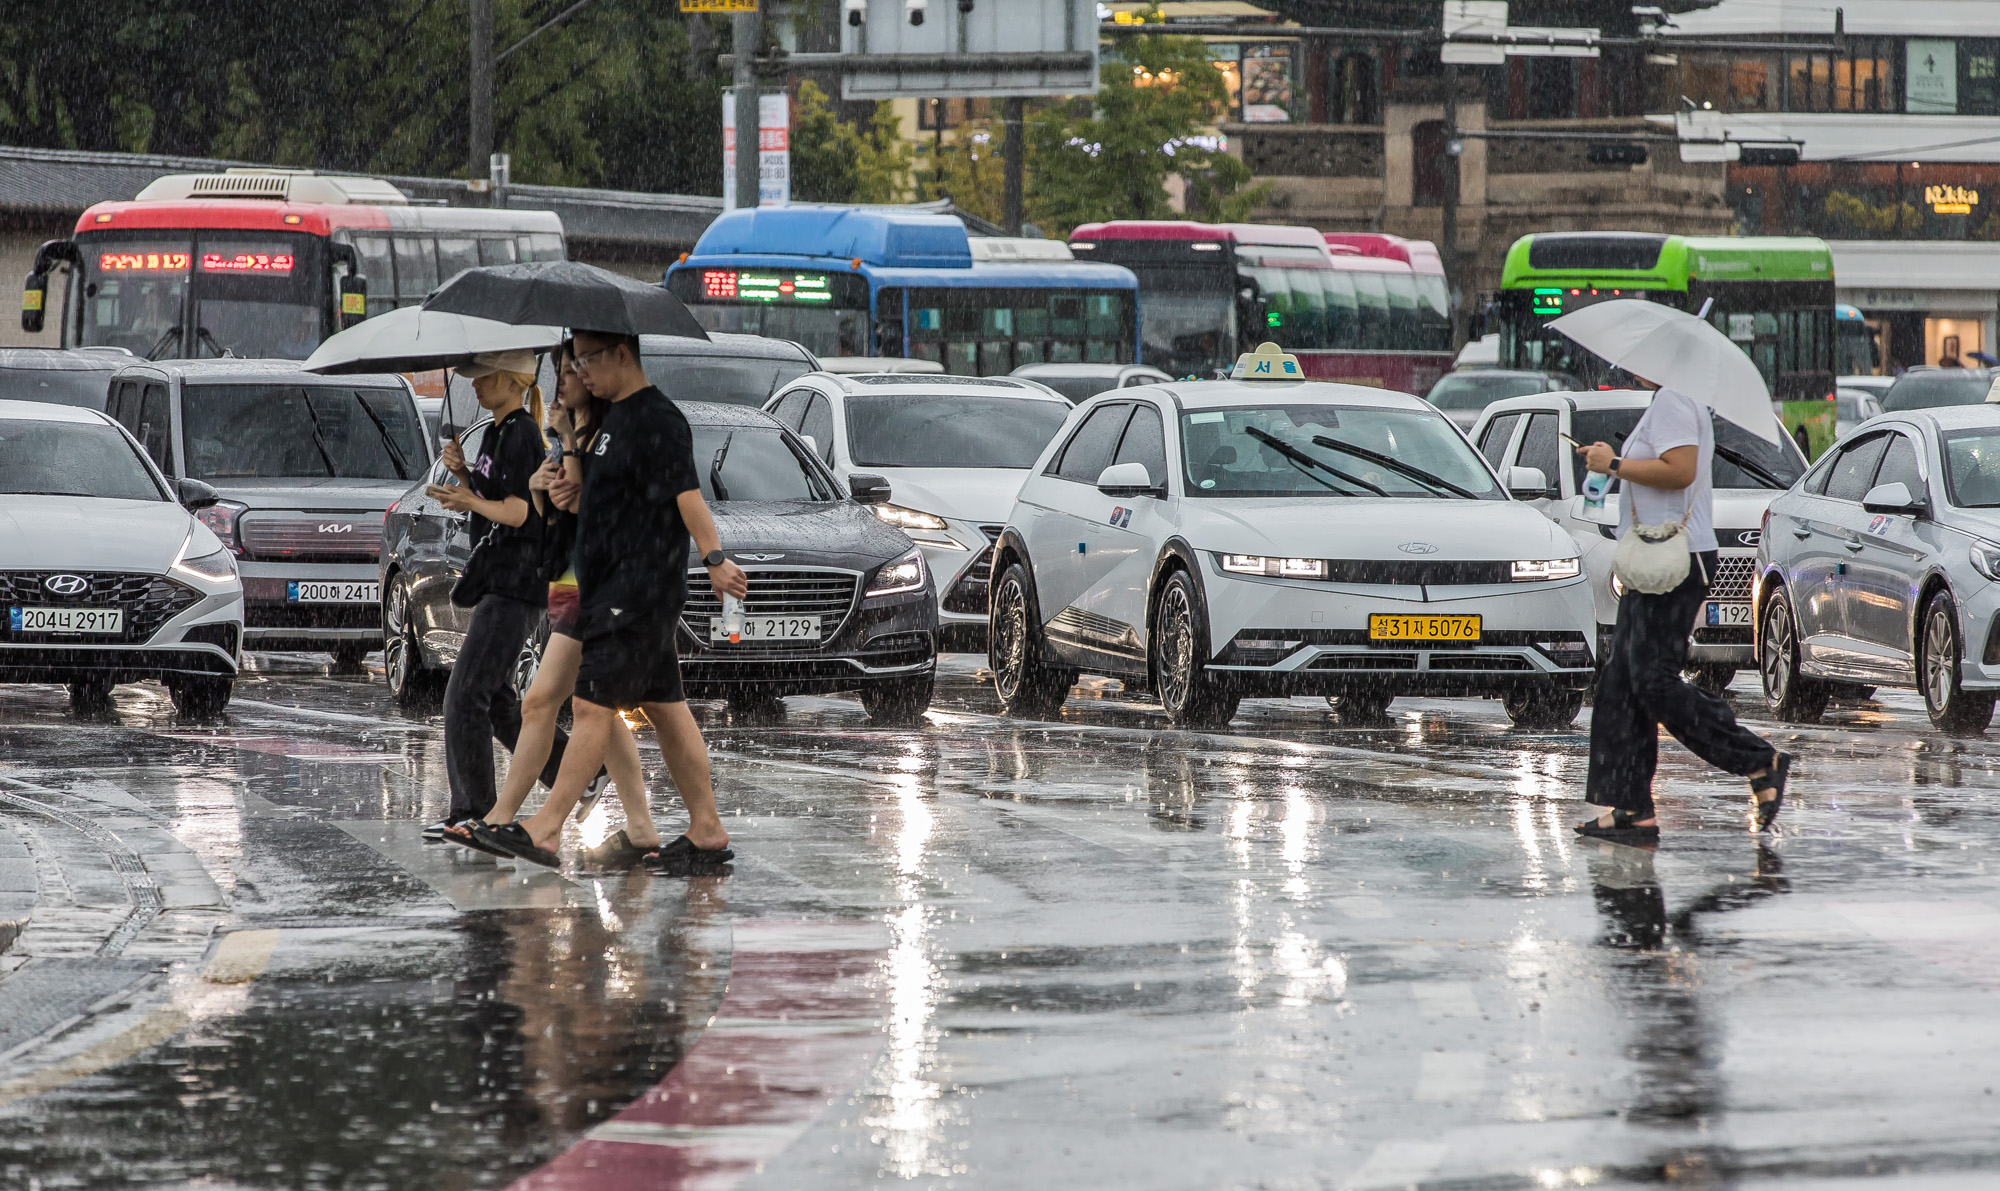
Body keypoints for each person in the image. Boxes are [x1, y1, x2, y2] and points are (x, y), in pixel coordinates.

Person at [466, 329, 747, 872]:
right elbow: (601, 500)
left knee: (592, 706)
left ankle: (545, 828)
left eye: (590, 361)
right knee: (666, 709)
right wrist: (569, 484)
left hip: (637, 591)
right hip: (608, 589)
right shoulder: (610, 420)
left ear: (622, 354)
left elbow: (688, 497)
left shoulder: (656, 419)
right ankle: (706, 827)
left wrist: (714, 560)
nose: (582, 372)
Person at [447, 342, 659, 869]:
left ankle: (525, 823)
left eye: (575, 370)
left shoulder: (606, 436)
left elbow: (608, 512)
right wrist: (542, 487)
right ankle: (635, 824)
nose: (565, 379)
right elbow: (553, 523)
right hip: (568, 582)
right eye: (565, 369)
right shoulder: (563, 439)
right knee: (582, 708)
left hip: (603, 585)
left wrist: (555, 482)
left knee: (565, 705)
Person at [1574, 382, 1793, 845]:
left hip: (1673, 559)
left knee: (1652, 679)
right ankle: (1631, 806)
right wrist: (1611, 459)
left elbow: (1680, 471)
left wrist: (1613, 464)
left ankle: (1758, 760)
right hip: (1652, 559)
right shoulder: (1668, 401)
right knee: (1621, 681)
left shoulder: (1675, 399)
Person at [427, 350, 598, 841]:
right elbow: (493, 496)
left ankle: (474, 811)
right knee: (499, 699)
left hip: (516, 582)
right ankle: (578, 772)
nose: (475, 386)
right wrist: (463, 476)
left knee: (465, 694)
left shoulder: (522, 432)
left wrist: (468, 498)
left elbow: (522, 512)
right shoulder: (495, 432)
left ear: (507, 380)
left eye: (483, 377)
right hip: (500, 578)